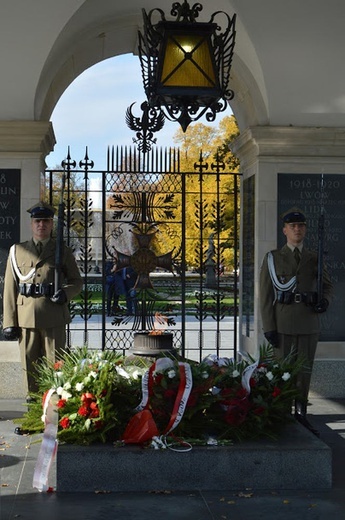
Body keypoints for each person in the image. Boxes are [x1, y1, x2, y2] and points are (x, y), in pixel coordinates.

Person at [2, 201, 83, 429]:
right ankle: (32, 418)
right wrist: (9, 322)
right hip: (25, 318)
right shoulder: (17, 250)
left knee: (54, 366)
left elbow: (77, 282)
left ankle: (54, 417)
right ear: (31, 224)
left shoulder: (61, 251)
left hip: (53, 317)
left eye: (46, 221)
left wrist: (65, 294)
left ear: (51, 224)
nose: (41, 225)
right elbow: (10, 287)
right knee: (30, 368)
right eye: (37, 221)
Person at [259, 207, 333, 436]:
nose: (297, 229)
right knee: (283, 372)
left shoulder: (314, 257)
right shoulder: (273, 258)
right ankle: (282, 414)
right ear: (285, 230)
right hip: (283, 323)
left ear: (305, 229)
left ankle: (301, 414)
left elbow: (327, 286)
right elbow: (266, 294)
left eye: (301, 226)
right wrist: (269, 327)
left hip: (308, 322)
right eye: (293, 226)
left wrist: (325, 301)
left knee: (304, 371)